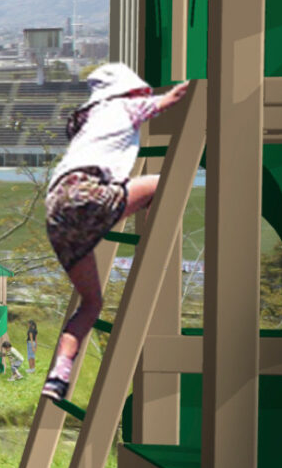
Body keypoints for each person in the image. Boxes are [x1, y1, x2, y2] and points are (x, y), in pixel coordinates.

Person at [42, 64, 191, 401]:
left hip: (56, 209)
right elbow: (171, 99)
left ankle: (58, 376)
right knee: (165, 182)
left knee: (92, 303)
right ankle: (159, 249)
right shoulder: (123, 105)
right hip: (87, 193)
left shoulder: (86, 120)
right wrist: (191, 86)